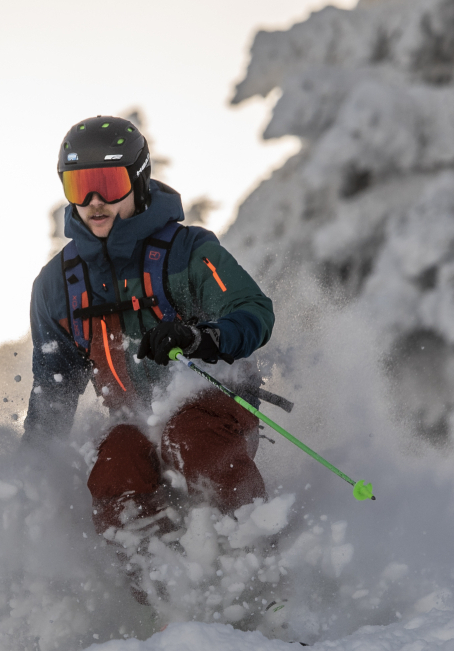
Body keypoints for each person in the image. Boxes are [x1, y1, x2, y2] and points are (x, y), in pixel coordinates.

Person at [23, 116, 276, 600]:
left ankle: (256, 572)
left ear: (137, 182)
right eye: (80, 186)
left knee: (191, 439)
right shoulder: (58, 286)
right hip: (135, 418)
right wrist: (30, 470)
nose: (94, 201)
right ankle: (157, 594)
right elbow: (52, 389)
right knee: (114, 468)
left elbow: (252, 311)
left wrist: (203, 336)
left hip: (212, 399)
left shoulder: (186, 252)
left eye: (108, 184)